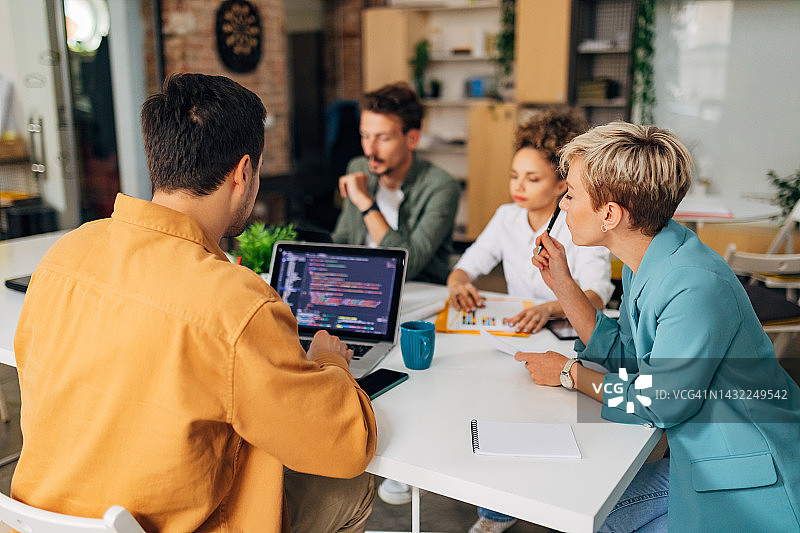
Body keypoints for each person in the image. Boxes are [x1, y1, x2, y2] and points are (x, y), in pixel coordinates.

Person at [12, 73, 378, 533]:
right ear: (244, 173)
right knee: (352, 487)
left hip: (40, 523)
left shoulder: (65, 254)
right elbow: (345, 447)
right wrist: (329, 362)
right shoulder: (236, 304)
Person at [519, 121, 800, 531]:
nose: (562, 205)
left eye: (572, 195)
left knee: (594, 518)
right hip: (700, 456)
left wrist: (570, 374)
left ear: (610, 214)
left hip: (750, 478)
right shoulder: (650, 256)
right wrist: (563, 284)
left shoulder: (694, 285)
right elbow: (630, 360)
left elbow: (662, 401)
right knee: (586, 509)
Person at [448, 107, 613, 533]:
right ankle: (496, 505)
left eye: (533, 178)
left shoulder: (580, 225)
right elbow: (466, 265)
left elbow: (599, 293)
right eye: (514, 176)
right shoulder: (506, 217)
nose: (519, 187)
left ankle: (523, 503)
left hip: (566, 339)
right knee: (485, 398)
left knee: (535, 414)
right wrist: (459, 284)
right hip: (517, 337)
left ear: (563, 185)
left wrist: (551, 305)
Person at [331, 81, 460, 284]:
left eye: (383, 138)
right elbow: (343, 239)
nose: (369, 150)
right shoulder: (358, 168)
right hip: (362, 285)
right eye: (365, 136)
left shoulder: (441, 187)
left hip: (418, 291)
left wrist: (366, 204)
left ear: (412, 139)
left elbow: (408, 265)